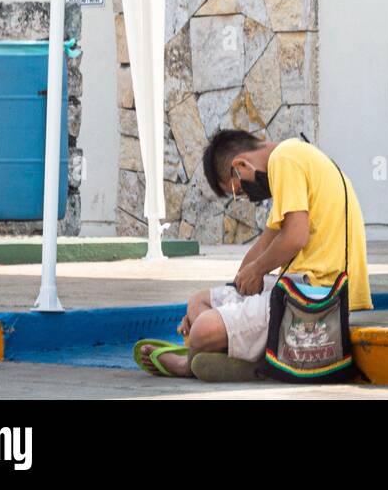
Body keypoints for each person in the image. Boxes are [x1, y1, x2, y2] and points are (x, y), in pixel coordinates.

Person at [135, 131, 372, 379]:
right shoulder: (295, 157)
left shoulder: (285, 159)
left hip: (315, 297)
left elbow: (295, 237)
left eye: (238, 190)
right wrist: (236, 291)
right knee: (198, 303)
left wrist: (257, 271)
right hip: (298, 287)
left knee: (203, 330)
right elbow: (260, 249)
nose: (246, 197)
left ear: (240, 164)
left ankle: (192, 361)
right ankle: (243, 352)